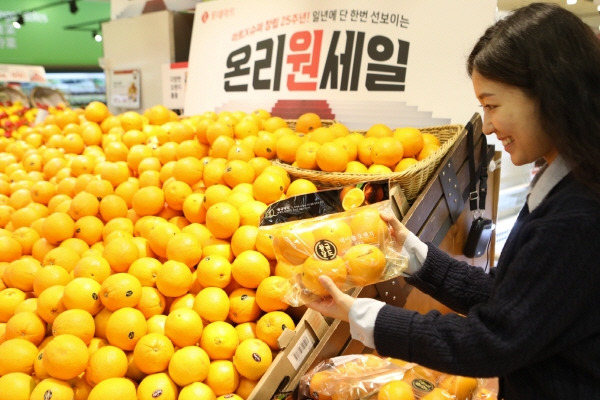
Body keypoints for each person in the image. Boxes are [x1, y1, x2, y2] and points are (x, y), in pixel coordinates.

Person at [306, 3, 600, 399]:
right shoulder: (570, 183)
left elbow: (492, 341)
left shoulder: (576, 217)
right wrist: (414, 256)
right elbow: (513, 296)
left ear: (550, 93)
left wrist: (363, 316)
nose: (489, 125)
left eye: (492, 105)